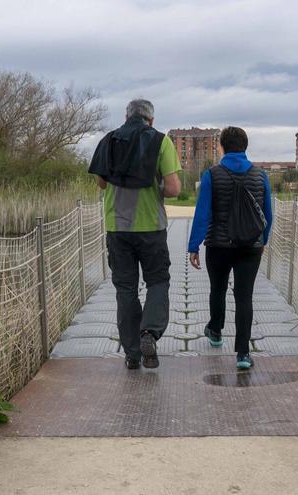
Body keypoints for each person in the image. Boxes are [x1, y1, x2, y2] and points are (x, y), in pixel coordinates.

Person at [88, 99, 182, 369]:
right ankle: (149, 333)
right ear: (150, 120)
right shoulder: (162, 141)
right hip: (151, 226)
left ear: (126, 116)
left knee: (125, 289)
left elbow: (101, 183)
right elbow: (174, 189)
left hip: (117, 228)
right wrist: (154, 185)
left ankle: (131, 353)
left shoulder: (108, 140)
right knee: (157, 281)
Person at [187, 126, 272, 369]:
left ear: (222, 147)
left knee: (218, 289)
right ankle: (243, 354)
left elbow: (203, 213)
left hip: (219, 245)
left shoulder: (212, 175)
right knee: (244, 296)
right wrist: (262, 240)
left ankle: (215, 331)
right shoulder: (261, 175)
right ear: (245, 147)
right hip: (250, 247)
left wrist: (194, 246)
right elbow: (268, 213)